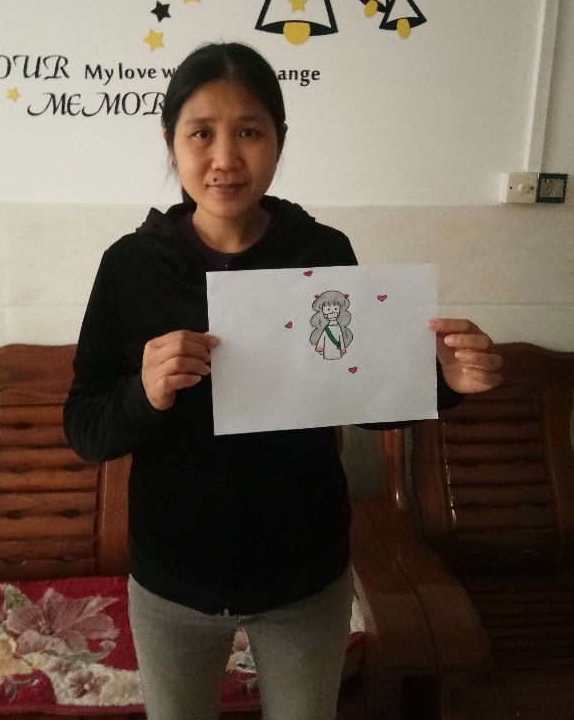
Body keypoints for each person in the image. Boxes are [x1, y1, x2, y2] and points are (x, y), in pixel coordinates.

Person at [63, 41, 504, 720]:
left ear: (279, 140)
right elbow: (86, 428)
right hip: (171, 576)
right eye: (201, 133)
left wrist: (439, 378)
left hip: (303, 574)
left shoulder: (321, 252)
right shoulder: (129, 267)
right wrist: (143, 395)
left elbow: (359, 389)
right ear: (169, 141)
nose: (224, 158)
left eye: (248, 131)